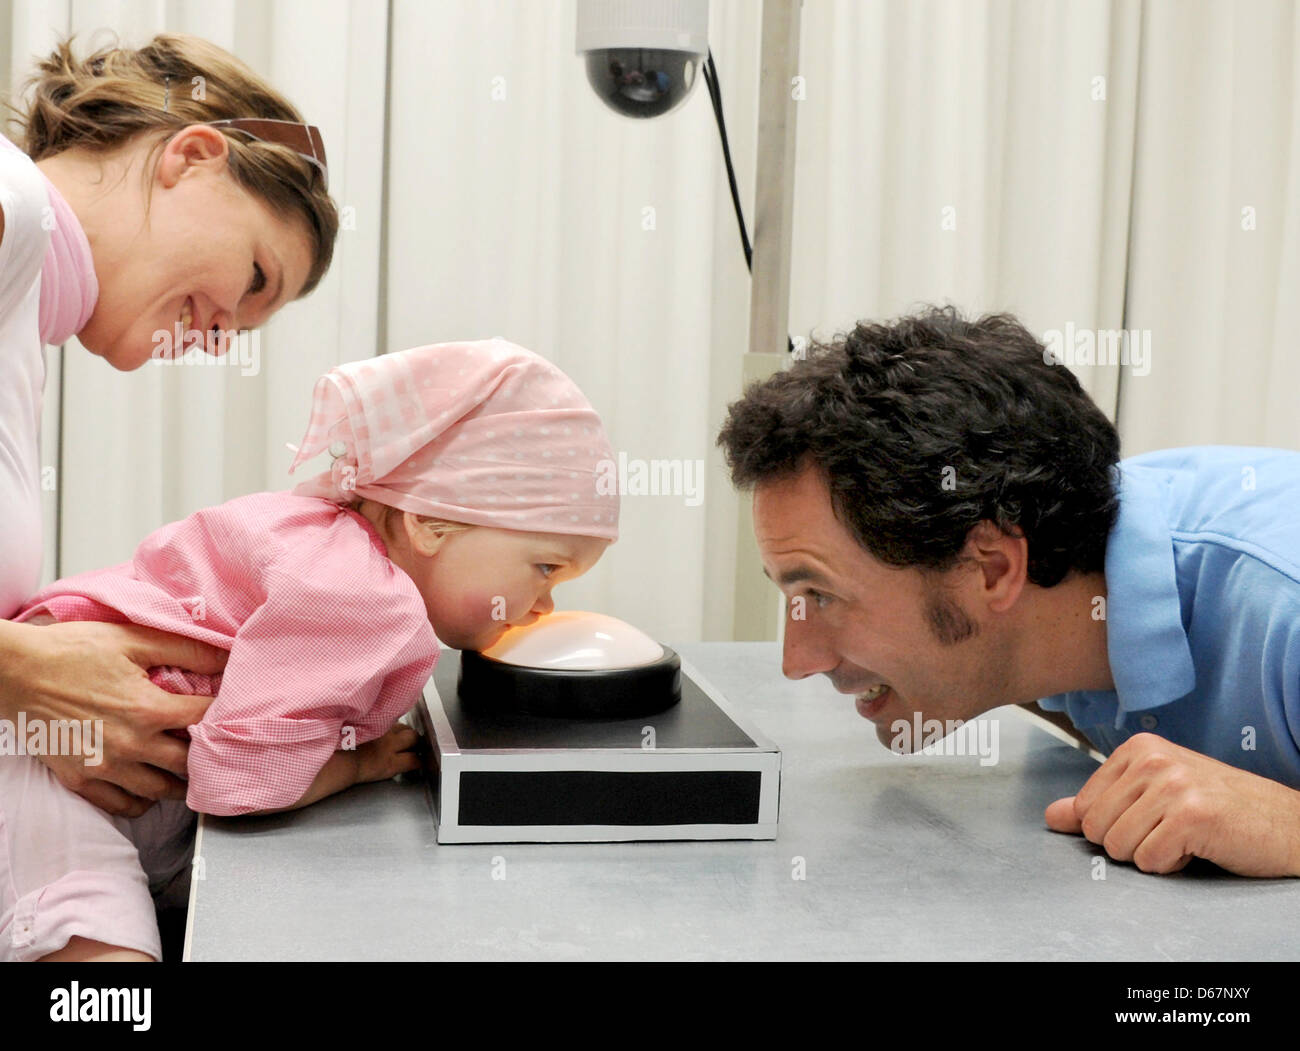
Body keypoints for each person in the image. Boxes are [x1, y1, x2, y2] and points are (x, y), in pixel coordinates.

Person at [0, 338, 620, 961]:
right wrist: (355, 764)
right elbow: (236, 781)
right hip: (59, 791)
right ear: (431, 523)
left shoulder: (324, 534)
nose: (546, 606)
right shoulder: (370, 600)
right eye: (545, 567)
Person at [716, 305, 1300, 878]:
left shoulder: (1284, 610)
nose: (798, 662)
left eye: (821, 594)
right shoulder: (1062, 591)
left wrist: (1287, 825)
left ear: (992, 569)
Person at [0, 33, 339, 821]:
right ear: (191, 156)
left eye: (247, 331)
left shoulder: (21, 320)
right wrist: (19, 671)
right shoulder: (12, 211)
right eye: (255, 276)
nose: (222, 337)